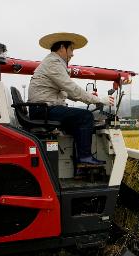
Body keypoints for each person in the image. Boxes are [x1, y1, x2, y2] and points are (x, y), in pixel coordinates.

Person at [28, 32, 114, 166]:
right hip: (43, 109)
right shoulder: (54, 63)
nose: (72, 54)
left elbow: (70, 93)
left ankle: (76, 158)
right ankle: (85, 157)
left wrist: (92, 98)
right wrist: (98, 100)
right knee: (85, 117)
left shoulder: (52, 63)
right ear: (62, 47)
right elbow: (71, 88)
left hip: (42, 108)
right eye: (71, 49)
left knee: (78, 119)